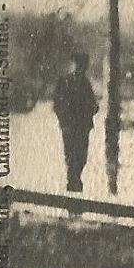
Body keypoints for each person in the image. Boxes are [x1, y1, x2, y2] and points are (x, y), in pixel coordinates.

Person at [51, 51, 98, 192]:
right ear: (74, 65)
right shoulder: (64, 82)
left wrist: (92, 109)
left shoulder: (85, 83)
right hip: (70, 126)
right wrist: (64, 121)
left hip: (82, 127)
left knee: (81, 157)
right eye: (79, 65)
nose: (81, 68)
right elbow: (57, 104)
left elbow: (93, 104)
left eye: (83, 66)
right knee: (72, 156)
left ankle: (74, 182)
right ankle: (73, 184)